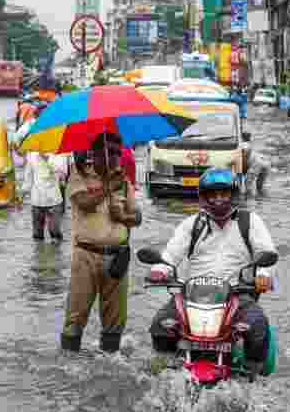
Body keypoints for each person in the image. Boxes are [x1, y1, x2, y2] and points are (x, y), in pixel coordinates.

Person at [147, 167, 277, 374]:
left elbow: (266, 253)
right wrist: (160, 270)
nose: (218, 199)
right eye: (213, 194)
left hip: (237, 295)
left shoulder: (250, 222)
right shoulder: (192, 224)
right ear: (203, 196)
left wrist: (263, 275)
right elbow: (170, 254)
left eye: (223, 193)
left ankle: (252, 377)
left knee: (257, 327)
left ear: (233, 194)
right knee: (161, 325)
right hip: (192, 296)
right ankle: (165, 374)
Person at [61, 132, 142, 353]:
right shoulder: (79, 176)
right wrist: (107, 188)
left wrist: (123, 218)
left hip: (117, 256)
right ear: (94, 154)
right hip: (86, 255)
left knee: (115, 319)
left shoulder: (124, 182)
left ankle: (110, 362)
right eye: (109, 151)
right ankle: (69, 363)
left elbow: (138, 217)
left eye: (117, 152)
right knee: (76, 314)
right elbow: (84, 203)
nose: (113, 156)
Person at [23, 151, 69, 241]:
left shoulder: (59, 154)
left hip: (54, 199)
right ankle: (39, 253)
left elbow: (63, 176)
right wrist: (22, 196)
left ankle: (56, 253)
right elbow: (28, 178)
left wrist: (48, 161)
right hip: (37, 200)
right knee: (37, 235)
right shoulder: (31, 155)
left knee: (55, 232)